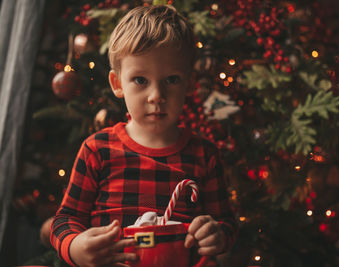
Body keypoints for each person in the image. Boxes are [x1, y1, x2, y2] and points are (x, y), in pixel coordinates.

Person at [50, 4, 237, 267]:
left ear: (190, 84)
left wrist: (216, 234)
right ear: (117, 84)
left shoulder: (204, 154)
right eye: (140, 80)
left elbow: (226, 224)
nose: (156, 96)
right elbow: (65, 220)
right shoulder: (98, 150)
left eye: (171, 80)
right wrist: (75, 247)